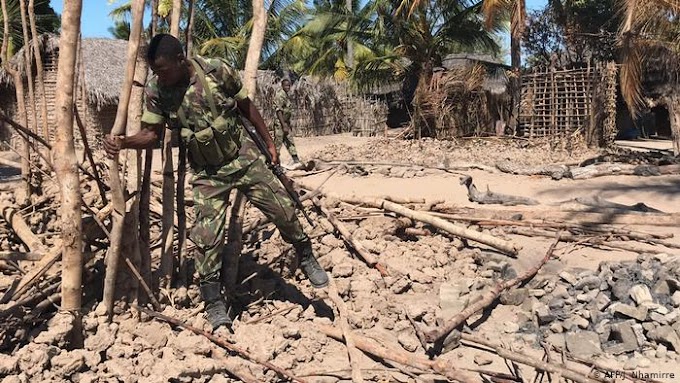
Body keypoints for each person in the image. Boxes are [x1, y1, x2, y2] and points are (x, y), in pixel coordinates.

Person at [103, 34, 329, 332]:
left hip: (243, 155)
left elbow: (246, 105)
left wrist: (270, 143)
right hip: (208, 173)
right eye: (156, 72)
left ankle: (305, 253)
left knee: (283, 210)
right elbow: (153, 135)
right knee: (207, 239)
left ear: (181, 59)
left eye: (165, 69)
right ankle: (213, 302)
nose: (160, 76)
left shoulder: (216, 70)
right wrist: (125, 142)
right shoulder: (157, 90)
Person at [271, 78, 304, 169]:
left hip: (285, 123)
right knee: (278, 143)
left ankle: (296, 160)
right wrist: (283, 124)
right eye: (286, 85)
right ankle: (275, 162)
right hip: (280, 124)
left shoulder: (285, 95)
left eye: (289, 85)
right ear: (282, 86)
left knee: (289, 141)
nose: (288, 87)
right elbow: (278, 111)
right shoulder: (280, 95)